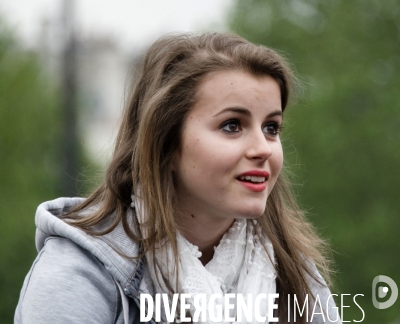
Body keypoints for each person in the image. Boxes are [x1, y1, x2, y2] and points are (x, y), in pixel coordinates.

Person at [15, 32, 341, 324]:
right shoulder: (79, 272)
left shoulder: (295, 275)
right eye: (232, 125)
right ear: (166, 144)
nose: (263, 149)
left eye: (271, 128)